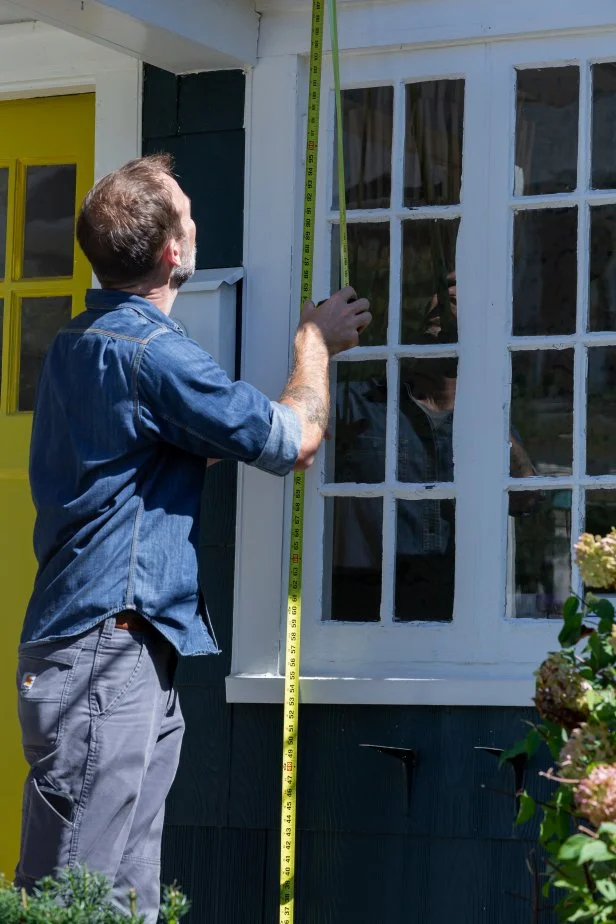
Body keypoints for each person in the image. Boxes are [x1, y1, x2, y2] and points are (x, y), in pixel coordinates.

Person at [14, 154, 371, 921]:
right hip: (106, 656)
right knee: (74, 898)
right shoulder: (151, 353)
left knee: (122, 897)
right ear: (173, 251)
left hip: (98, 652)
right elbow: (293, 439)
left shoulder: (79, 346)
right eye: (186, 210)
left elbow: (177, 444)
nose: (195, 218)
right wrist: (314, 340)